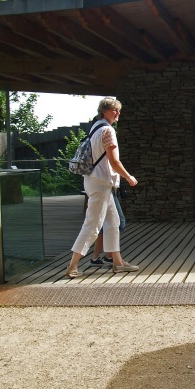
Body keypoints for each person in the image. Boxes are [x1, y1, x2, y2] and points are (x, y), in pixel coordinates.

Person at [66, 98, 138, 278]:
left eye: (118, 110)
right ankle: (72, 266)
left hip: (96, 181)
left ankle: (118, 262)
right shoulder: (108, 130)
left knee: (113, 223)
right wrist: (128, 177)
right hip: (101, 183)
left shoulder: (95, 127)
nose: (118, 113)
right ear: (104, 111)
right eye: (115, 110)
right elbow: (114, 161)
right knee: (93, 225)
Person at [89, 184, 126, 266]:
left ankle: (105, 256)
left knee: (110, 222)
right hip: (105, 188)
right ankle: (101, 257)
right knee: (116, 222)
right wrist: (128, 177)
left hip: (109, 188)